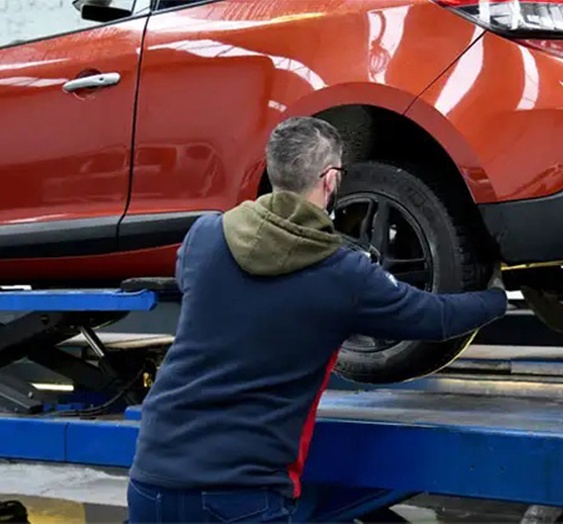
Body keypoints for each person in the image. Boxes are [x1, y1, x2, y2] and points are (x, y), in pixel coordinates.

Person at [126, 116, 508, 523]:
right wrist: (497, 296)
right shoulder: (342, 275)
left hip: (153, 481)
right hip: (239, 494)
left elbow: (192, 279)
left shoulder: (205, 237)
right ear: (330, 181)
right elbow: (435, 318)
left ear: (272, 170)